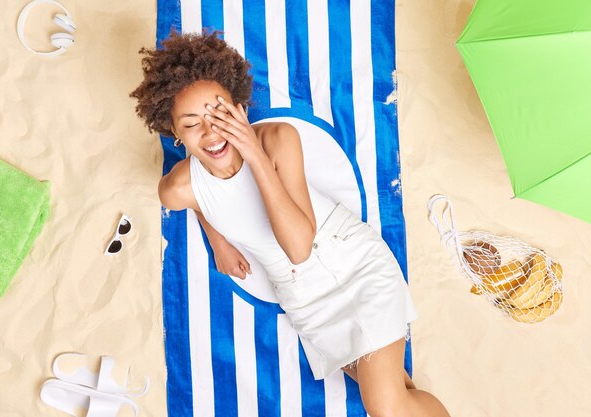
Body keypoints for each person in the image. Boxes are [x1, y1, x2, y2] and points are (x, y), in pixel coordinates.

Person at [130, 30, 451, 417]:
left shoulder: (279, 139)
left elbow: (300, 246)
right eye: (192, 123)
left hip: (351, 264)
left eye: (220, 113)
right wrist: (218, 241)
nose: (211, 132)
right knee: (392, 391)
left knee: (385, 406)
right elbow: (202, 201)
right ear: (175, 134)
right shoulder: (179, 189)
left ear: (240, 107)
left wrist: (255, 157)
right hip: (303, 299)